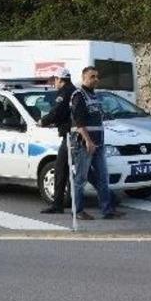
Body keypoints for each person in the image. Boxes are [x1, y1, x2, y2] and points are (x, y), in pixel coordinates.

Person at [70, 66, 124, 220]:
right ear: (84, 78)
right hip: (84, 145)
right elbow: (79, 123)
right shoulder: (79, 95)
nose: (96, 80)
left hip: (98, 144)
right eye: (92, 77)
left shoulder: (94, 96)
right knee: (80, 179)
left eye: (97, 76)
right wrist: (88, 141)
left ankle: (107, 209)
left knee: (103, 178)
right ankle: (78, 211)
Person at [39, 67, 76, 213]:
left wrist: (43, 121)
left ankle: (57, 205)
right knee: (85, 169)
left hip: (70, 135)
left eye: (55, 79)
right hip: (74, 134)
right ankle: (109, 198)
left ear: (60, 79)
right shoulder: (74, 90)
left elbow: (57, 112)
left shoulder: (65, 92)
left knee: (61, 168)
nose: (54, 83)